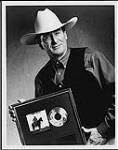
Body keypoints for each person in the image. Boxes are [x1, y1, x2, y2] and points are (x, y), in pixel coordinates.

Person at [9, 8, 115, 145]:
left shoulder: (91, 58)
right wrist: (25, 112)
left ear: (65, 34)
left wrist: (102, 131)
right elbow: (48, 122)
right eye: (47, 36)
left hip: (106, 142)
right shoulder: (41, 79)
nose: (54, 40)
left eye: (57, 33)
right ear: (41, 44)